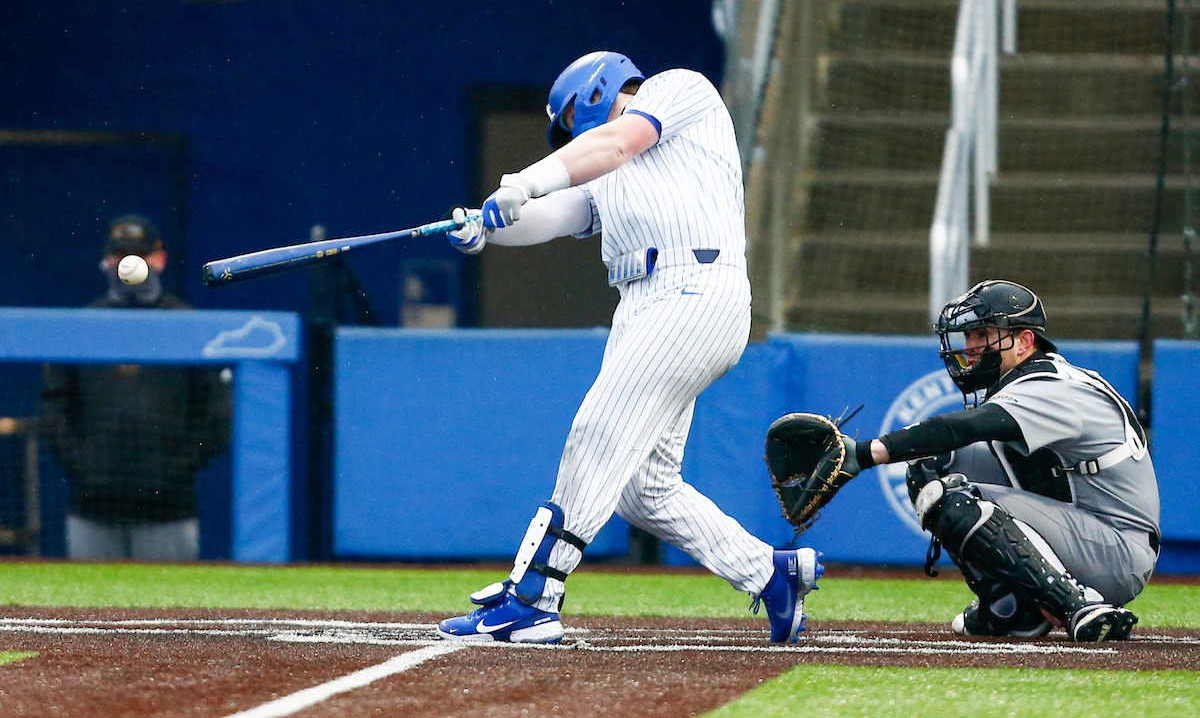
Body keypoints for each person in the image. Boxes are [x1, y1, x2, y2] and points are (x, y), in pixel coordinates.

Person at [435, 51, 822, 644]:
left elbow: (613, 144)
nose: (572, 132)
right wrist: (486, 228)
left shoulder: (677, 90)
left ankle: (536, 596)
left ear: (595, 91)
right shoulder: (608, 167)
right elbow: (556, 213)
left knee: (597, 434)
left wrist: (524, 180)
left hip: (692, 290)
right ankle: (770, 574)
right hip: (646, 304)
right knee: (645, 490)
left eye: (571, 117)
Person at [829, 280, 1159, 641]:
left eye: (983, 334)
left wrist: (864, 453)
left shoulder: (1051, 386)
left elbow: (967, 426)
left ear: (1025, 341)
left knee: (953, 499)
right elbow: (946, 444)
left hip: (1117, 552)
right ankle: (1013, 608)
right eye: (968, 336)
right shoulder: (1028, 379)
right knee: (931, 464)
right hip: (1088, 529)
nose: (970, 348)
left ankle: (1077, 605)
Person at [41, 214, 232, 560]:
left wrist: (173, 471)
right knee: (88, 611)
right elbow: (54, 411)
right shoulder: (78, 327)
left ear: (159, 259)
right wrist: (88, 468)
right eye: (118, 254)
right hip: (92, 510)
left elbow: (218, 418)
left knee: (171, 612)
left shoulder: (189, 326)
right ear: (106, 260)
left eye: (139, 254)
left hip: (169, 511)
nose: (127, 263)